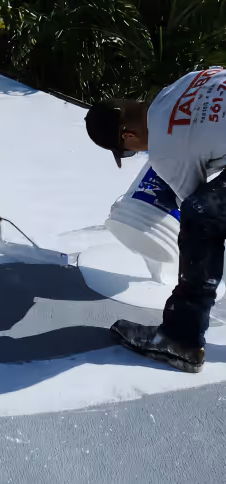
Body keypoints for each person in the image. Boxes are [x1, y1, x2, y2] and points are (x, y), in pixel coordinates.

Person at [85, 66, 226, 373]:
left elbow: (192, 204)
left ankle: (181, 338)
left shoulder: (164, 148)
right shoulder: (181, 84)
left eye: (128, 151)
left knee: (201, 215)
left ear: (130, 135)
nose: (137, 153)